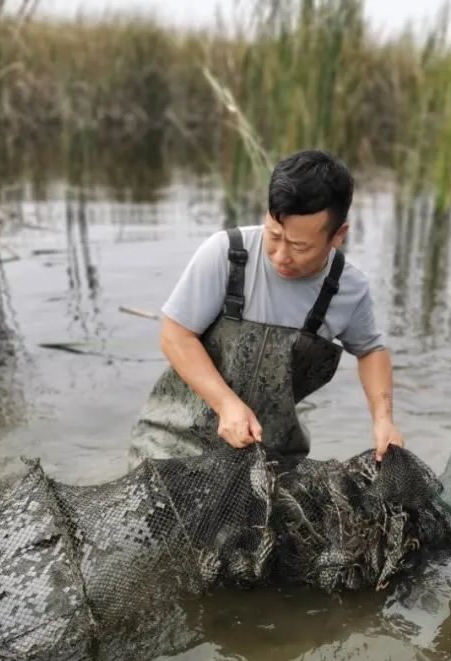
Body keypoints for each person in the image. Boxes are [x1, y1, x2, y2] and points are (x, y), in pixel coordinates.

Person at [127, 149, 403, 470]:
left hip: (267, 455)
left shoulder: (348, 287)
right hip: (174, 441)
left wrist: (384, 421)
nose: (281, 255)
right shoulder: (225, 255)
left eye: (299, 246)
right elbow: (175, 336)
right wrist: (226, 403)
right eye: (274, 235)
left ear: (338, 235)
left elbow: (371, 351)